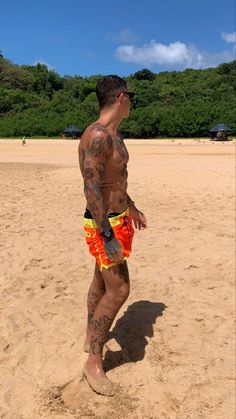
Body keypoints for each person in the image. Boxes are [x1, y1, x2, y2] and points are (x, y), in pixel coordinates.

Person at [78, 75, 147, 396]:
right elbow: (91, 186)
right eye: (130, 97)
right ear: (121, 97)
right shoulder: (97, 135)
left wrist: (131, 206)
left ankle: (88, 337)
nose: (132, 102)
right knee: (120, 289)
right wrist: (106, 232)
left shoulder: (116, 136)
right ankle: (94, 361)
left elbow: (116, 181)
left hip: (118, 218)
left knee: (100, 282)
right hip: (103, 223)